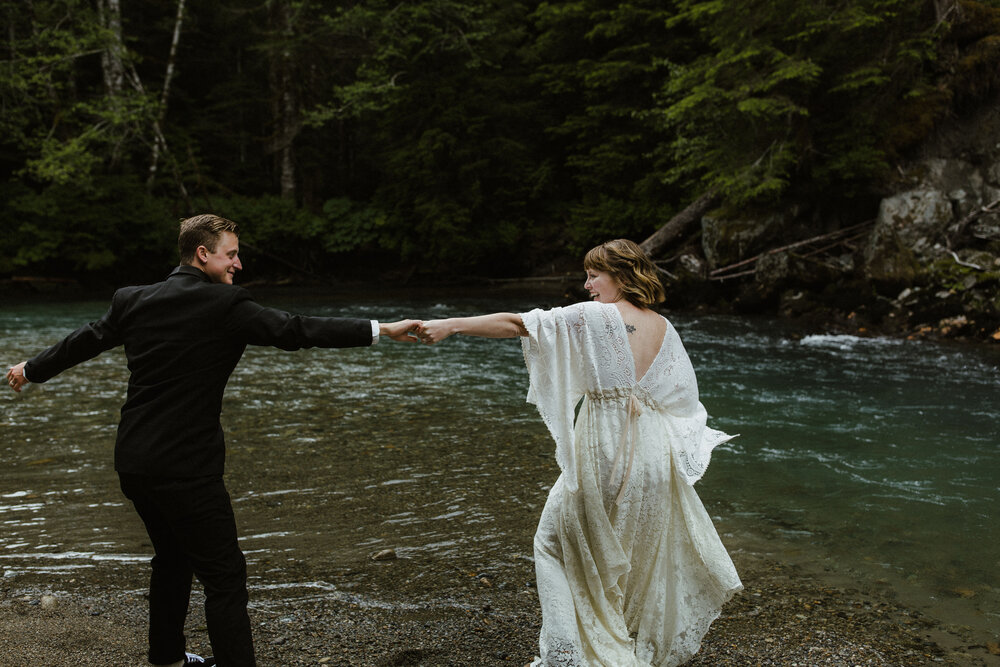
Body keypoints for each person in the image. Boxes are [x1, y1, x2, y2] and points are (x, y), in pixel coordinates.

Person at [5, 214, 420, 667]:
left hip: (135, 462)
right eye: (232, 253)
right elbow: (297, 330)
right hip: (187, 469)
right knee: (225, 577)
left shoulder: (133, 299)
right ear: (203, 254)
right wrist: (383, 329)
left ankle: (166, 658)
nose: (238, 264)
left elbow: (83, 342)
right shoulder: (226, 305)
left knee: (172, 557)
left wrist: (31, 369)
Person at [416, 239, 742, 666]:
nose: (586, 285)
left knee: (552, 543)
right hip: (652, 452)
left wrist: (451, 325)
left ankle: (568, 655)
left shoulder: (594, 316)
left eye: (593, 275)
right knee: (618, 548)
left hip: (604, 446)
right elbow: (682, 401)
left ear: (622, 275)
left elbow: (519, 324)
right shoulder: (663, 326)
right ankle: (610, 637)